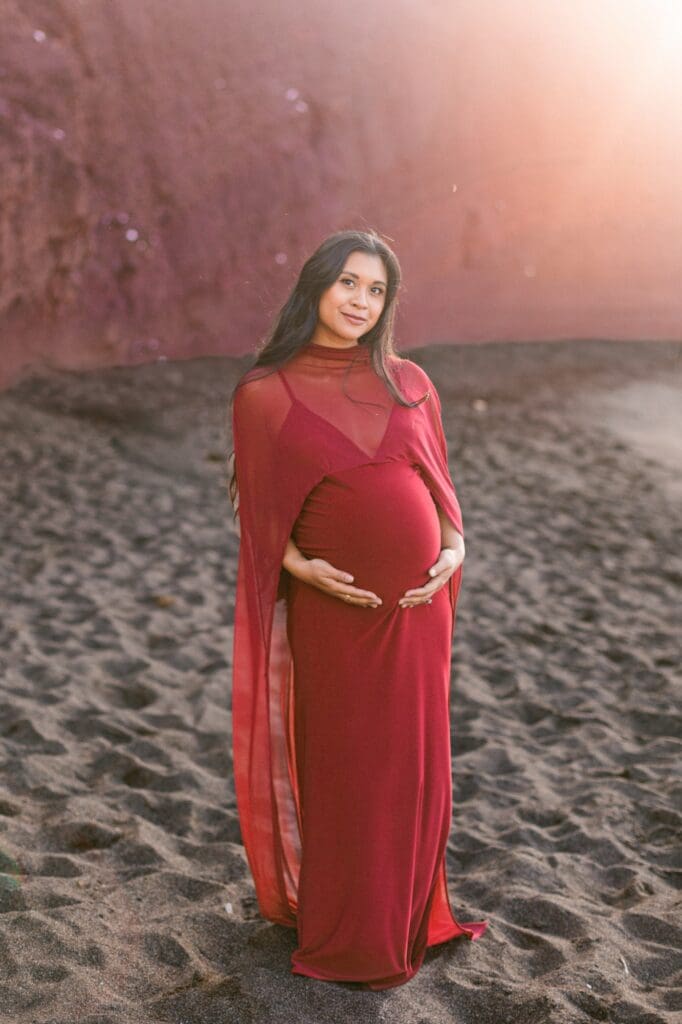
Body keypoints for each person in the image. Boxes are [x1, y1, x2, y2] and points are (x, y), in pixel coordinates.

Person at [226, 228, 488, 990]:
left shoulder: (410, 382)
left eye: (376, 290)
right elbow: (256, 511)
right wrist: (301, 566)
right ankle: (350, 933)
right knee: (347, 767)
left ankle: (404, 920)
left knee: (412, 769)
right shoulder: (265, 391)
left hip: (417, 613)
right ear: (316, 285)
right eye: (348, 282)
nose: (361, 301)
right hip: (334, 616)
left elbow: (440, 488)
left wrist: (452, 551)